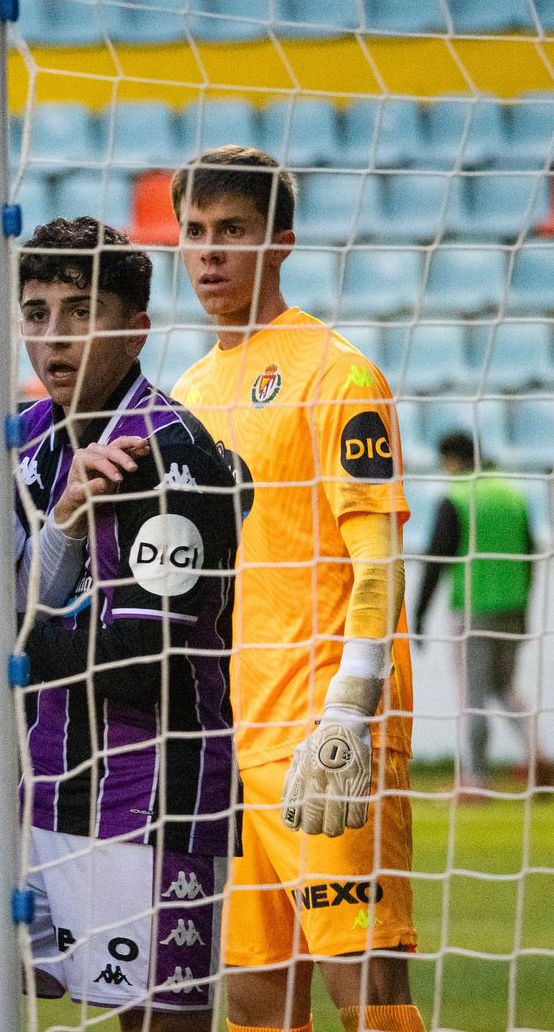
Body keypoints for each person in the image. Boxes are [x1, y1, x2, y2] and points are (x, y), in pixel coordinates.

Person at [168, 147, 425, 1032]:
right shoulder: (189, 393)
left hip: (327, 737)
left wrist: (351, 708)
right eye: (194, 234)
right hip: (231, 741)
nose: (209, 254)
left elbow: (379, 552)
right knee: (252, 1000)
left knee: (366, 993)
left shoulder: (338, 374)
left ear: (280, 240)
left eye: (231, 232)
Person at [11, 217, 239, 1029]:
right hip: (40, 797)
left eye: (80, 311)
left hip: (150, 801)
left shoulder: (167, 455)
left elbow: (145, 662)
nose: (54, 337)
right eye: (36, 314)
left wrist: (3, 633)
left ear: (136, 325)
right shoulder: (25, 440)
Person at [414, 430, 545, 797]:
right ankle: (537, 755)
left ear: (451, 459)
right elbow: (530, 552)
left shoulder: (456, 496)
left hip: (472, 609)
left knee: (472, 697)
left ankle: (473, 780)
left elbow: (435, 560)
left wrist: (420, 614)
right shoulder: (513, 494)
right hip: (513, 607)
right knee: (503, 687)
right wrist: (524, 606)